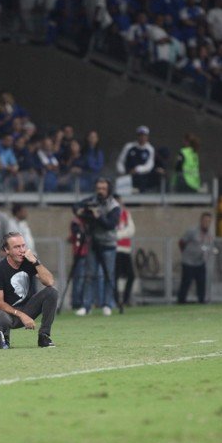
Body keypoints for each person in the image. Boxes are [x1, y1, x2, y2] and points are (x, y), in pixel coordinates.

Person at [0, 231, 57, 348]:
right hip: (6, 313)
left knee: (51, 292)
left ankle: (44, 336)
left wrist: (36, 262)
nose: (22, 250)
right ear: (7, 250)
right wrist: (21, 315)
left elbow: (49, 282)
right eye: (16, 247)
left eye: (23, 246)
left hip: (25, 308)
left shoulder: (29, 262)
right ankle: (4, 339)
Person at [74, 177, 121, 316]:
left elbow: (110, 224)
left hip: (108, 244)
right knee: (89, 274)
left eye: (103, 189)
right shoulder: (91, 201)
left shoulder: (114, 206)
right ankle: (86, 306)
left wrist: (98, 216)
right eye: (98, 188)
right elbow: (76, 206)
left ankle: (107, 304)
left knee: (108, 275)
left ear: (109, 190)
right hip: (93, 242)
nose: (100, 191)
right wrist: (80, 211)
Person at [178, 212, 214, 304]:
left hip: (200, 262)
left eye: (209, 221)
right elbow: (182, 242)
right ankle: (181, 301)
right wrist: (186, 253)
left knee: (201, 283)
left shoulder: (209, 234)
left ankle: (201, 301)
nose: (206, 223)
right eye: (205, 221)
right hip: (188, 262)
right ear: (201, 221)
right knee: (186, 282)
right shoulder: (192, 231)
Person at [115, 126, 156, 193]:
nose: (142, 138)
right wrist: (122, 171)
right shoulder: (129, 146)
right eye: (140, 135)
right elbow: (120, 161)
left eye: (144, 135)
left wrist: (137, 169)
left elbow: (149, 165)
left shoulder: (150, 149)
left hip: (141, 178)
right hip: (126, 176)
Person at [114, 194, 136, 307]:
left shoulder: (126, 213)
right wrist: (121, 234)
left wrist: (119, 235)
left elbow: (131, 230)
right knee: (115, 276)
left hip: (126, 249)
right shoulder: (111, 214)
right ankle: (116, 300)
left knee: (131, 276)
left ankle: (126, 299)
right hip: (115, 249)